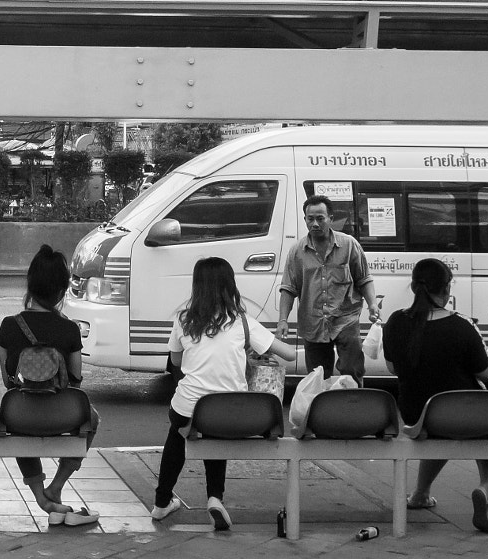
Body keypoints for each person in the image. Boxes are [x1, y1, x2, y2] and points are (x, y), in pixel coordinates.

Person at [153, 257, 283, 532]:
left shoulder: (183, 319)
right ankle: (215, 497)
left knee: (178, 432)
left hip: (190, 408)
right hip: (232, 413)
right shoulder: (243, 322)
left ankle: (162, 501)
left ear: (197, 286)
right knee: (216, 423)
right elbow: (290, 354)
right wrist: (258, 348)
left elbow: (175, 362)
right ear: (229, 286)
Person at [382, 258, 488, 534]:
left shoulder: (396, 322)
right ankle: (487, 489)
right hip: (465, 417)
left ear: (413, 287)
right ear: (447, 290)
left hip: (419, 418)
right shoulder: (462, 326)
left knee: (438, 420)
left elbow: (391, 367)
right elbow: (485, 372)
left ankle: (421, 494)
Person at [0, 244, 98, 527]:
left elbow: (7, 381)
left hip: (20, 417)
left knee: (16, 419)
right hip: (63, 415)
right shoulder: (69, 329)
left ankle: (41, 495)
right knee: (92, 418)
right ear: (61, 291)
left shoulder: (8, 325)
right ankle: (57, 484)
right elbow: (76, 380)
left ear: (30, 285)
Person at [277, 195, 378, 381]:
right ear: (305, 219)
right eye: (310, 219)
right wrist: (282, 319)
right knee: (318, 377)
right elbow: (288, 288)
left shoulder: (349, 245)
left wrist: (372, 304)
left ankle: (353, 406)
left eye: (320, 218)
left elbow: (364, 278)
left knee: (351, 370)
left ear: (331, 218)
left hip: (345, 319)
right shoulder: (297, 251)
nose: (315, 223)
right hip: (313, 322)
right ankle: (321, 408)